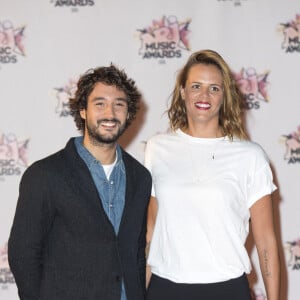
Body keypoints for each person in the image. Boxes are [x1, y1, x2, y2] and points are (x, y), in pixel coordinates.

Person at [144, 49, 280, 300]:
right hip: (165, 288)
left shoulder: (250, 156)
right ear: (183, 91)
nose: (204, 95)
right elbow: (152, 229)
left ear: (224, 96)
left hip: (226, 289)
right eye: (196, 85)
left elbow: (266, 241)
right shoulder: (157, 148)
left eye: (214, 88)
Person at [8, 64, 152, 300]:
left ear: (128, 113)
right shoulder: (45, 175)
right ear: (83, 110)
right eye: (100, 103)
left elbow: (136, 253)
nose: (110, 113)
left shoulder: (140, 177)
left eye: (119, 104)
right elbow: (23, 254)